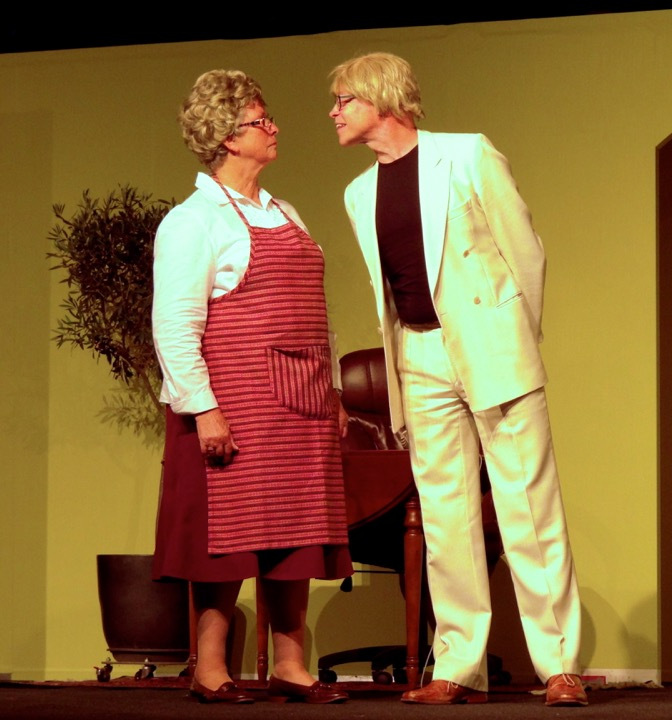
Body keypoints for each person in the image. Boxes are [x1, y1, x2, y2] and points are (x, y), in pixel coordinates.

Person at [328, 52, 587, 707]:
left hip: (491, 346)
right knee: (446, 518)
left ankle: (559, 665)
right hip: (417, 354)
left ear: (380, 98)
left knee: (528, 506)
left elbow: (526, 253)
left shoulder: (468, 155)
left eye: (344, 100)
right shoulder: (358, 193)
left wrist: (513, 336)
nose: (334, 112)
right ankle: (457, 665)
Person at [152, 69, 351, 705]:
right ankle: (211, 668)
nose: (274, 128)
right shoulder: (193, 221)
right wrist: (204, 410)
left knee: (297, 535)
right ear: (228, 136)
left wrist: (332, 393)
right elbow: (175, 326)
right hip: (233, 406)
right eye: (261, 120)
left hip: (301, 401)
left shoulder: (284, 212)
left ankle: (290, 667)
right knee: (225, 544)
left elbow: (311, 313)